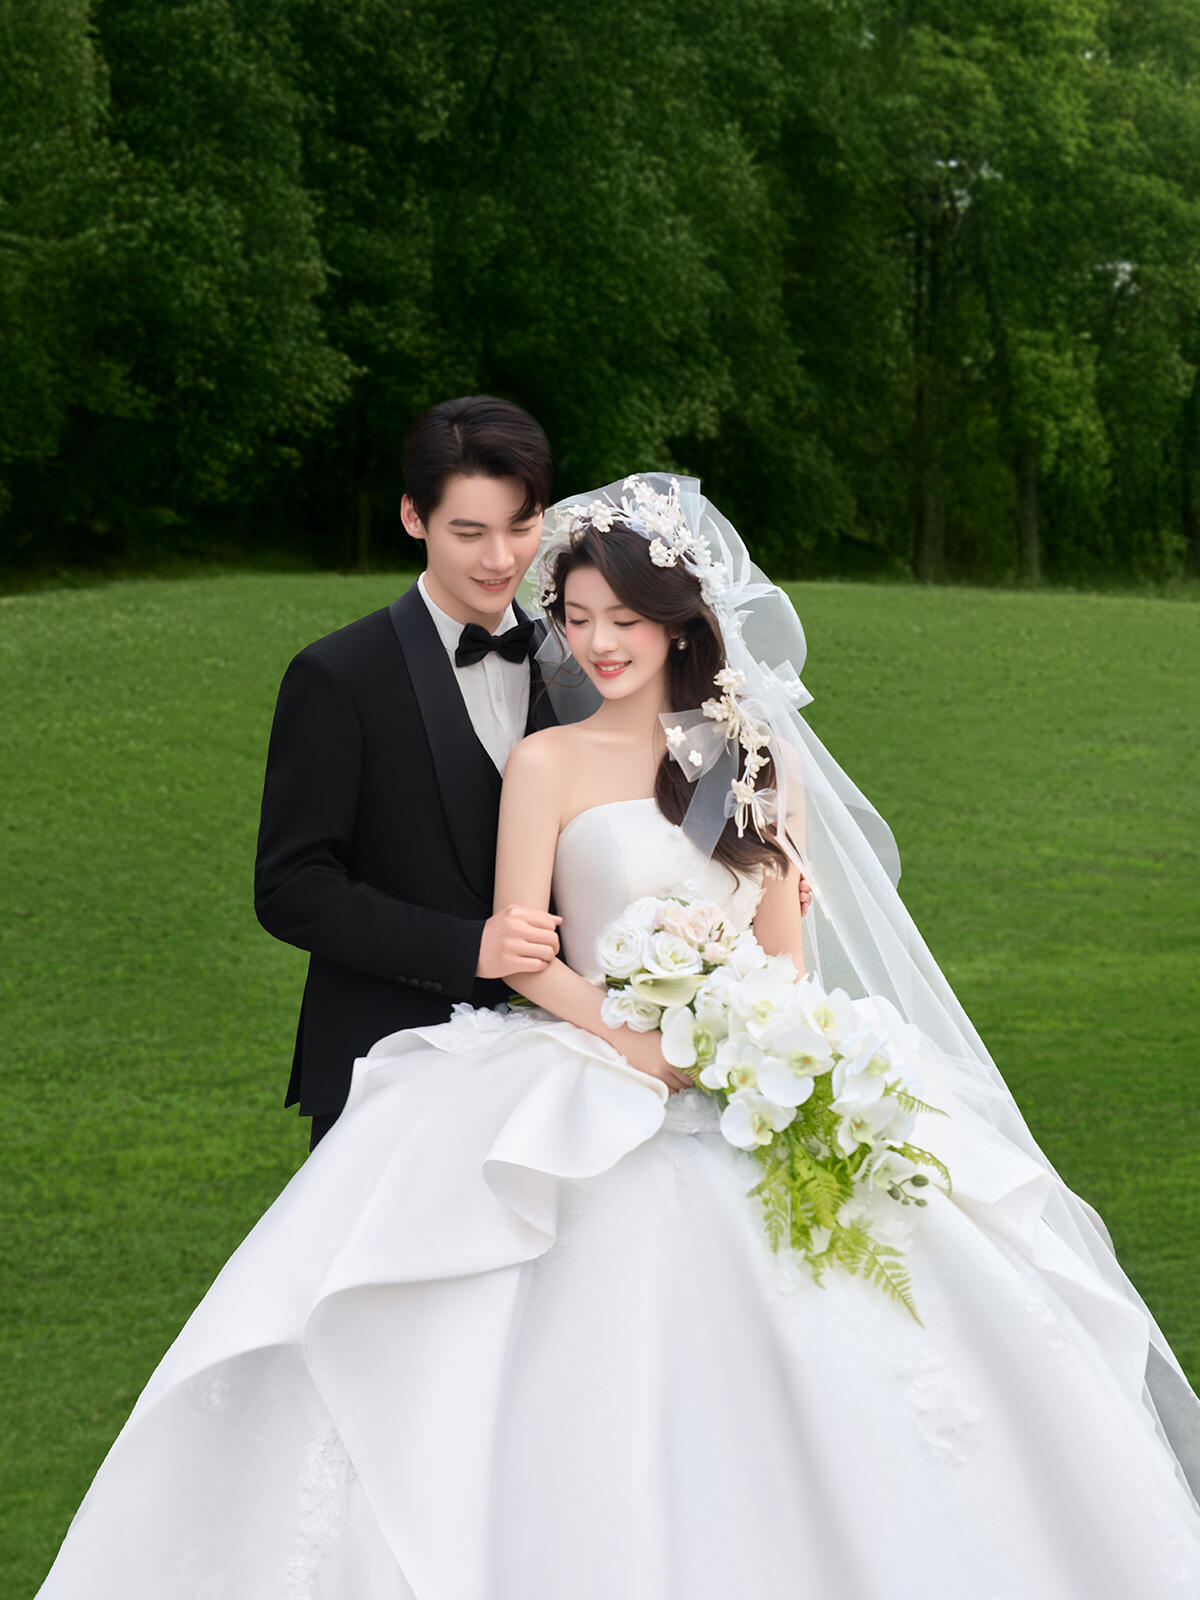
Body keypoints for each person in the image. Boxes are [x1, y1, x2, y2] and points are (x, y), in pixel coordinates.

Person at [36, 476, 1200, 1597]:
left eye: (624, 621)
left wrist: (753, 1038)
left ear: (678, 622)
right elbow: (523, 949)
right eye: (578, 616)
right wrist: (630, 1037)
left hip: (742, 1079)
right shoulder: (546, 762)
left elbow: (785, 957)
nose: (597, 643)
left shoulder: (749, 759)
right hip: (587, 1068)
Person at [254, 395, 564, 1149]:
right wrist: (466, 949)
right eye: (469, 532)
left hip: (561, 1079)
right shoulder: (338, 675)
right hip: (387, 1069)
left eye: (521, 526)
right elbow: (292, 887)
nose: (501, 559)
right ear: (413, 517)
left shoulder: (581, 664)